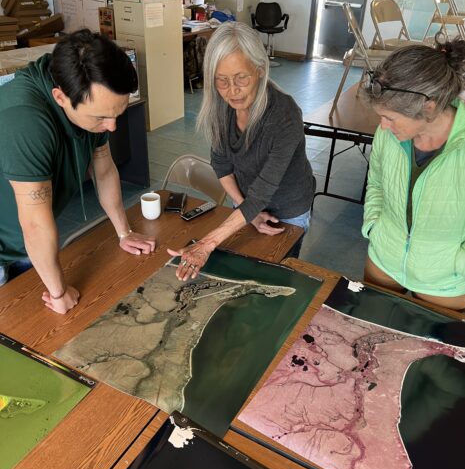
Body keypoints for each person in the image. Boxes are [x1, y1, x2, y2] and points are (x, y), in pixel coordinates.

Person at [0, 29, 155, 313]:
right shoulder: (24, 120)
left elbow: (104, 169)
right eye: (101, 117)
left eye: (116, 114)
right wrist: (59, 294)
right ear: (60, 97)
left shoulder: (89, 99)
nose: (112, 127)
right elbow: (34, 223)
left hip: (27, 243)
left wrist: (124, 232)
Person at [168, 21, 315, 281]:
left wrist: (206, 244)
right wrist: (247, 209)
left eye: (241, 78)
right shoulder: (220, 107)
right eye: (222, 81)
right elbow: (222, 165)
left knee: (278, 272)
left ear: (259, 70)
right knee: (244, 271)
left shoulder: (284, 115)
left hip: (289, 207)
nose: (232, 91)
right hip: (246, 203)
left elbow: (263, 191)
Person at [361, 38, 465, 310]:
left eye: (391, 118)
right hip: (383, 259)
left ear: (428, 108)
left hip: (444, 281)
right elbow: (376, 184)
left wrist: (456, 261)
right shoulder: (388, 135)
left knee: (432, 350)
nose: (382, 127)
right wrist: (375, 227)